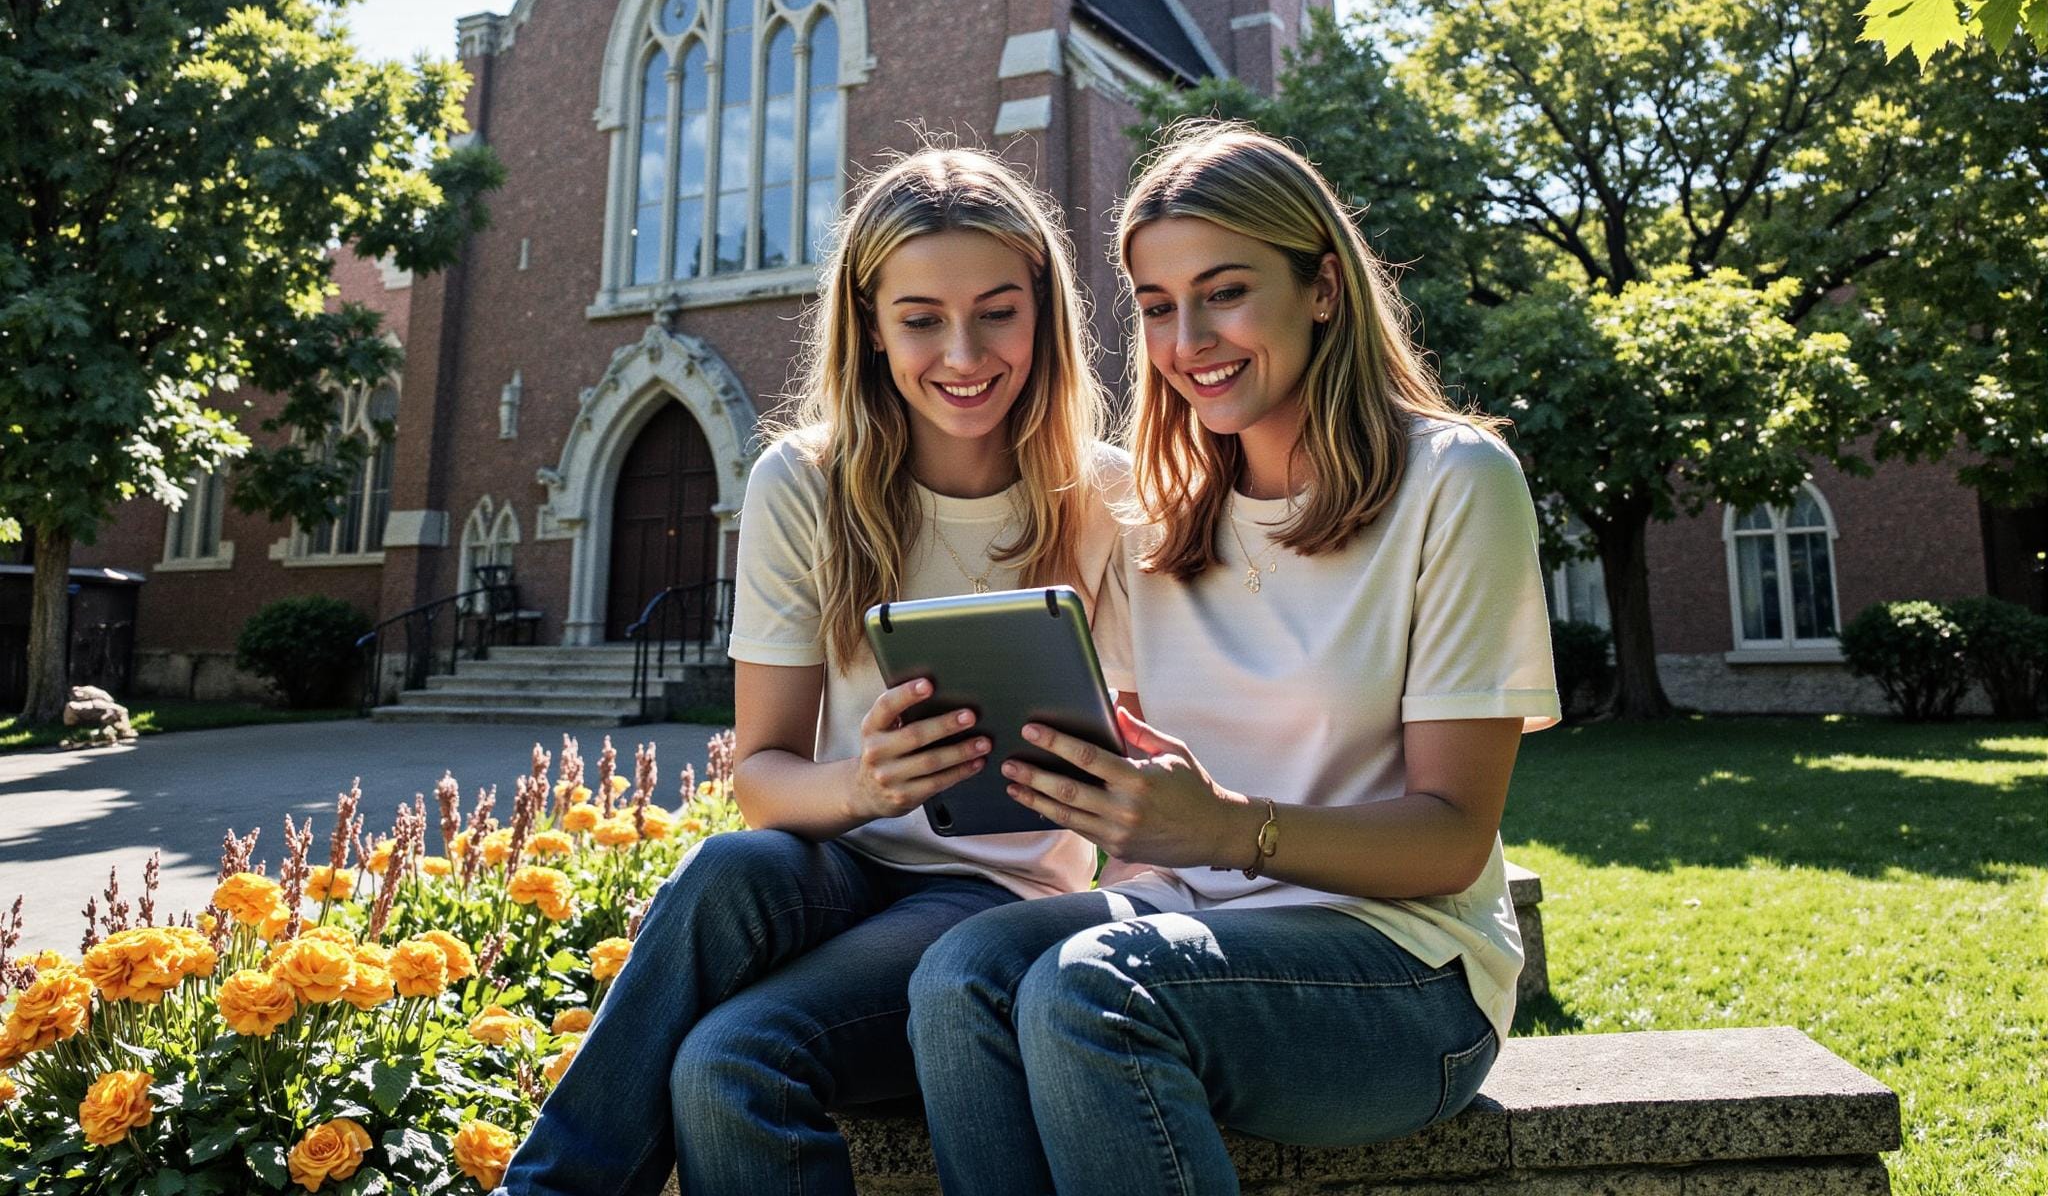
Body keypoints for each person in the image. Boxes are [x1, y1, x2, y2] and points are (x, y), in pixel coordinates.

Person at [907, 121, 1561, 1196]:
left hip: (1407, 968)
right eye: (1157, 305)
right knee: (960, 972)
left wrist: (1221, 828)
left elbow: (1451, 839)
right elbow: (1135, 795)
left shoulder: (1453, 481)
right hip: (1188, 923)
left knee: (1091, 989)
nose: (1188, 339)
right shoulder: (1152, 514)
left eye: (1223, 292)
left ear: (1322, 287)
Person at [504, 147, 1127, 1196]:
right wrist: (864, 786)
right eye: (921, 318)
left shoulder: (1105, 495)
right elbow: (761, 778)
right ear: (871, 324)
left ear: (1044, 311)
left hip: (995, 895)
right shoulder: (803, 481)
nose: (962, 353)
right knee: (722, 870)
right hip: (836, 866)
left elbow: (1159, 746)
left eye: (997, 312)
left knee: (727, 1063)